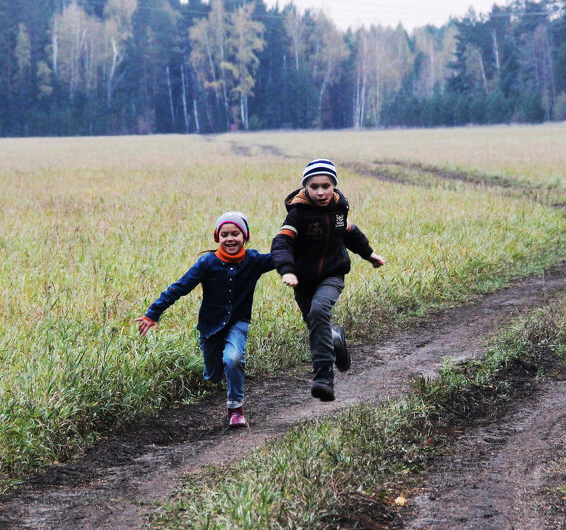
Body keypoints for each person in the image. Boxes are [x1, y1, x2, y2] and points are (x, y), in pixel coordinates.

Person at [134, 212, 274, 428]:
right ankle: (224, 373)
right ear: (217, 237)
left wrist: (302, 233)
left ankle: (235, 408)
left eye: (235, 234)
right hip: (210, 327)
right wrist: (153, 312)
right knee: (214, 375)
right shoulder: (207, 263)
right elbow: (179, 287)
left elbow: (283, 256)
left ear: (245, 236)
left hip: (238, 323)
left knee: (234, 359)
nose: (230, 239)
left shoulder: (254, 261)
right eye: (224, 235)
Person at [271, 159, 386, 402]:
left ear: (334, 185)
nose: (321, 192)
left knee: (319, 310)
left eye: (326, 185)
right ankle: (334, 338)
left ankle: (323, 376)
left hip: (333, 274)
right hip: (302, 280)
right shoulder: (298, 214)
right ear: (306, 187)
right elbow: (282, 242)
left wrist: (369, 254)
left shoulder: (339, 207)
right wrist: (287, 270)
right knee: (315, 323)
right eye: (314, 187)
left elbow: (350, 233)